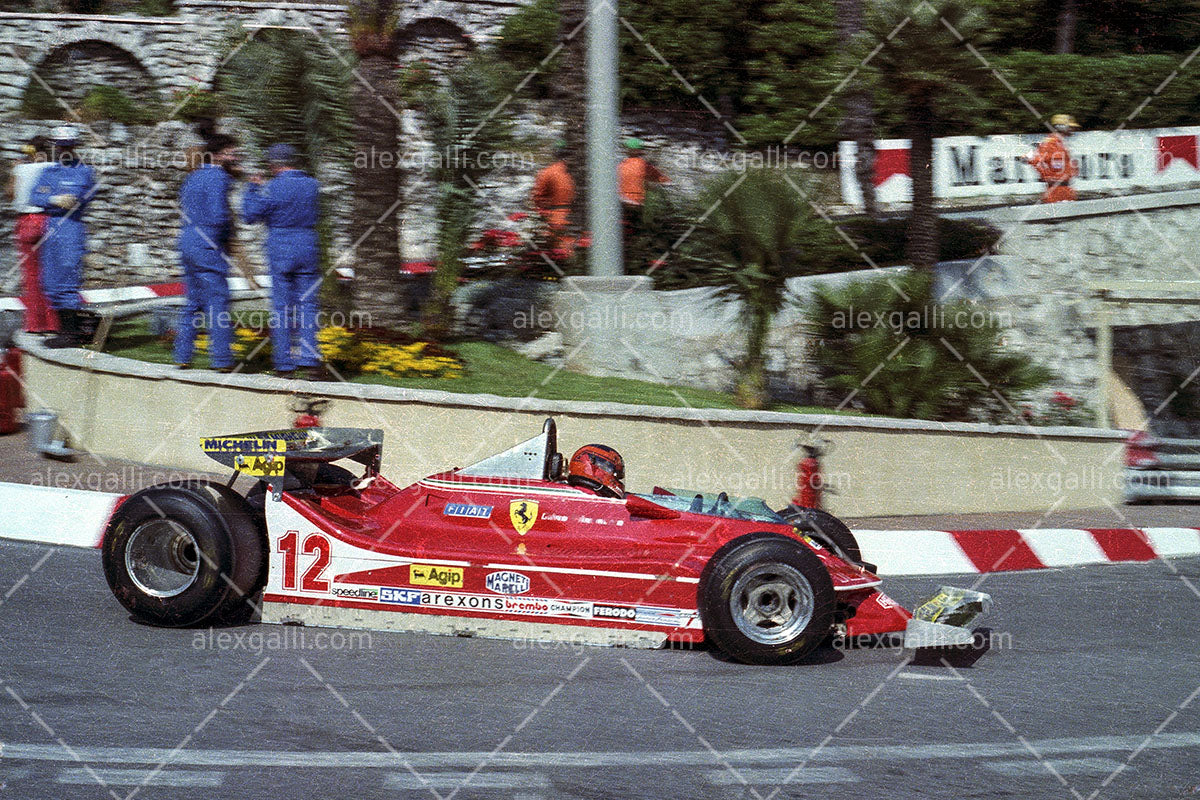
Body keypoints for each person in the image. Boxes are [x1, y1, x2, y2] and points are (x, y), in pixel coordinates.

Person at [243, 143, 323, 379]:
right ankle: (310, 360)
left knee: (282, 307)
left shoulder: (271, 188)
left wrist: (252, 189)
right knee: (308, 305)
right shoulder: (312, 185)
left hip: (281, 244)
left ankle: (284, 363)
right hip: (307, 242)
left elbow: (249, 216)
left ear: (272, 164)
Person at [174, 133, 240, 372]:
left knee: (193, 302)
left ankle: (182, 355)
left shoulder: (191, 178)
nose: (235, 157)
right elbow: (218, 216)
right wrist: (228, 236)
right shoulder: (219, 178)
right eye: (231, 152)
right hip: (208, 244)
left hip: (187, 242)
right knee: (218, 302)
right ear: (218, 154)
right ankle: (222, 360)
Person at [29, 126, 96, 348]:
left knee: (68, 280)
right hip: (51, 228)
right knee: (49, 281)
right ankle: (63, 330)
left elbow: (81, 195)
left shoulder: (84, 171)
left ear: (75, 146)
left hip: (70, 228)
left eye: (68, 145)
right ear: (55, 146)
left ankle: (72, 333)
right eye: (60, 145)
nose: (63, 149)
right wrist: (54, 199)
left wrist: (56, 197)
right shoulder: (48, 172)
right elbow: (33, 195)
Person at [8, 136, 57, 334]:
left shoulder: (20, 169)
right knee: (52, 272)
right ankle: (54, 323)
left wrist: (14, 171)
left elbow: (10, 193)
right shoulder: (53, 167)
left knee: (31, 275)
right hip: (48, 219)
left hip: (25, 221)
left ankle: (35, 324)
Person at [617, 137, 668, 234]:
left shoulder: (620, 166)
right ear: (639, 150)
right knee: (637, 230)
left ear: (628, 150)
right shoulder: (643, 165)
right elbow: (661, 179)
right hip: (636, 203)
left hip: (622, 201)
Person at [531, 142, 575, 252]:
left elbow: (537, 197)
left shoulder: (547, 172)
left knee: (556, 251)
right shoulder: (570, 173)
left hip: (553, 218)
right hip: (570, 217)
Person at [1026, 114, 1080, 203]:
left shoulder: (1062, 142)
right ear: (1061, 127)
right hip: (1055, 190)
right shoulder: (1050, 143)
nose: (1073, 129)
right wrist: (1047, 176)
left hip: (1067, 188)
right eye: (1070, 127)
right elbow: (1035, 160)